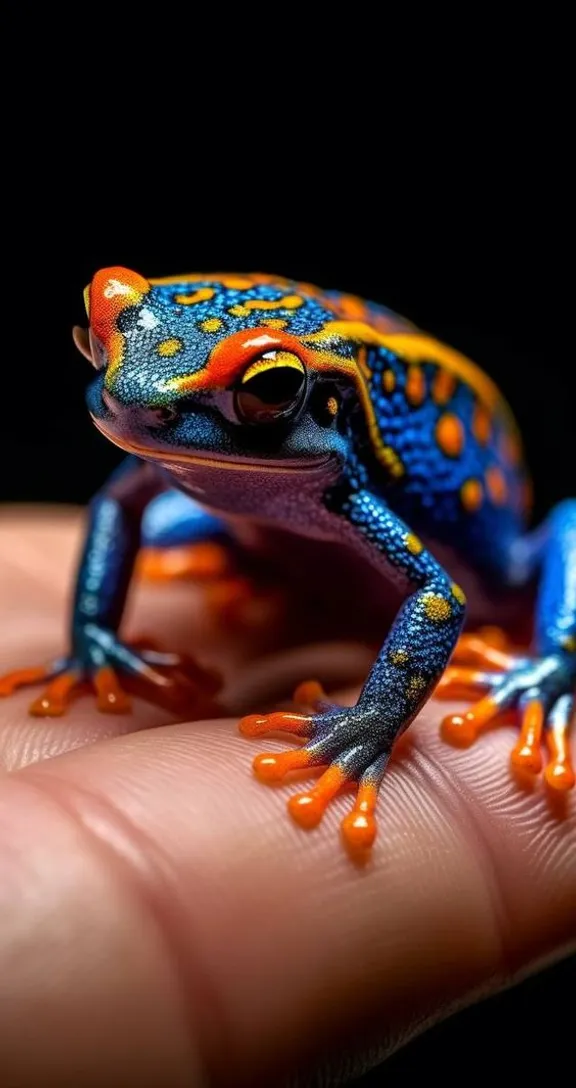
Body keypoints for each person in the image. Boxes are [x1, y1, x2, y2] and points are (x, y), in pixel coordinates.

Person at [0, 509, 574, 1087]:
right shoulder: (172, 433)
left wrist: (375, 723)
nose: (147, 417)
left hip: (481, 573)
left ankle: (560, 660)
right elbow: (121, 502)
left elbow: (439, 597)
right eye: (114, 406)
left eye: (261, 406)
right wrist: (92, 637)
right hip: (294, 542)